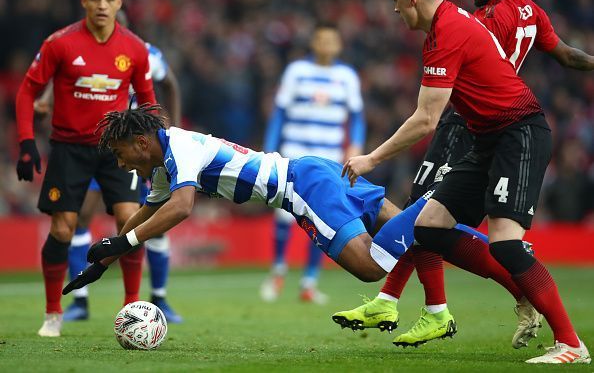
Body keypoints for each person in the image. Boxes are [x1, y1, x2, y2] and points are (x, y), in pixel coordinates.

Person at [68, 105, 533, 360]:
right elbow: (149, 212)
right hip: (315, 171)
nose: (119, 160)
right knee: (425, 235)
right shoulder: (165, 167)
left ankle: (443, 200)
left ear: (142, 141)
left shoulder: (181, 148)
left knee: (371, 267)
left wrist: (123, 242)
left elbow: (181, 209)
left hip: (302, 186)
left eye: (121, 150)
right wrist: (101, 260)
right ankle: (516, 285)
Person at [334, 0, 594, 350]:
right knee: (428, 225)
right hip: (485, 135)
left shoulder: (456, 28)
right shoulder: (458, 21)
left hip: (517, 132)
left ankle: (570, 342)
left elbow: (425, 119)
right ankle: (435, 301)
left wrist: (371, 158)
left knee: (506, 244)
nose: (394, 10)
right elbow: (562, 54)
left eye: (395, 1)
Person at [15, 0, 156, 337]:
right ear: (84, 2)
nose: (103, 5)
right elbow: (27, 92)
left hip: (117, 149)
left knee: (131, 221)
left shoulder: (135, 49)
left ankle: (132, 307)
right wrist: (27, 142)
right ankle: (53, 312)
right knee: (62, 229)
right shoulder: (60, 43)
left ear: (120, 3)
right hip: (69, 150)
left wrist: (152, 152)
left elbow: (148, 103)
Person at [33, 13, 183, 323]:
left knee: (142, 216)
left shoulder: (144, 52)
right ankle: (80, 300)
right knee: (81, 217)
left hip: (132, 153)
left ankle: (157, 297)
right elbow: (60, 79)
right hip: (89, 148)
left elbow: (170, 83)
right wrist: (47, 100)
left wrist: (171, 127)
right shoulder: (82, 51)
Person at [260, 22, 365, 304]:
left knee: (322, 216)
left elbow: (356, 117)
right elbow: (279, 112)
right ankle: (278, 272)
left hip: (329, 156)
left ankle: (309, 282)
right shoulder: (297, 71)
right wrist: (271, 148)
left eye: (332, 40)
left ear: (339, 45)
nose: (326, 45)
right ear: (314, 43)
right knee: (283, 213)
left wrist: (355, 147)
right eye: (321, 40)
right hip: (295, 151)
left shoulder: (347, 76)